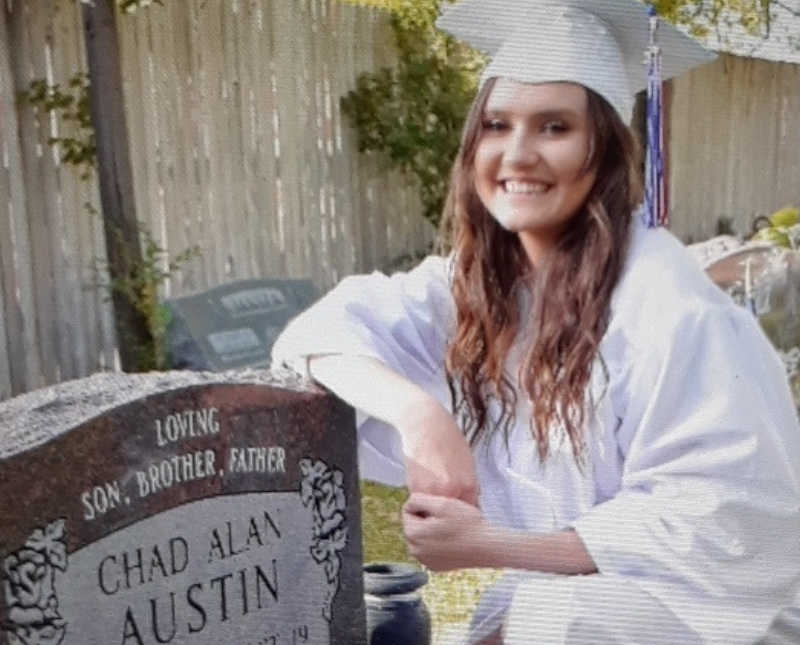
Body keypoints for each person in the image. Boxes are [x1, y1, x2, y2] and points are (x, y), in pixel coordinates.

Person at [272, 0, 800, 642]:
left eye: (554, 127)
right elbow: (320, 335)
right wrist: (421, 416)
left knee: (550, 619)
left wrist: (493, 544)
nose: (517, 154)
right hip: (583, 604)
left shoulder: (672, 312)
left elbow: (717, 525)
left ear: (602, 154)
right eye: (497, 124)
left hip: (724, 621)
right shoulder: (482, 287)